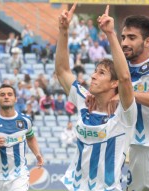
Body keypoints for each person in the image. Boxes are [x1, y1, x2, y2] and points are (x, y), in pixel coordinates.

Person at [87, 14, 149, 190]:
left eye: (132, 37)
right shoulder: (119, 70)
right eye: (123, 37)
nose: (125, 42)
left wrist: (127, 94)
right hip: (134, 153)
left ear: (148, 41)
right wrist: (95, 96)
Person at [56, 4, 137, 190]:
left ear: (114, 83)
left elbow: (125, 78)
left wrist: (110, 33)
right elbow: (62, 71)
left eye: (101, 73)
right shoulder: (84, 100)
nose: (93, 76)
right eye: (95, 72)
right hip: (74, 186)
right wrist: (63, 30)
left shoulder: (124, 113)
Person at [0, 84, 43, 191]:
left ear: (15, 99)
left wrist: (37, 153)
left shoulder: (25, 120)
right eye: (2, 95)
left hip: (20, 175)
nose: (6, 97)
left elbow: (31, 137)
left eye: (10, 94)